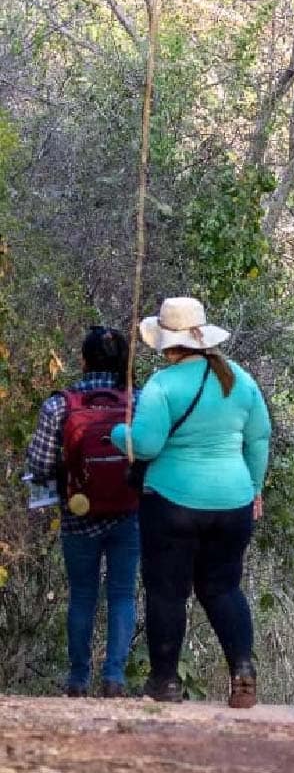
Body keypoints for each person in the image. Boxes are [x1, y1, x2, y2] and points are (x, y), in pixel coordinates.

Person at [112, 297, 271, 708]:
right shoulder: (240, 380)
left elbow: (145, 445)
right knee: (223, 588)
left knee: (167, 591)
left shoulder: (163, 385)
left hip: (172, 502)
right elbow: (258, 440)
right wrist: (254, 489)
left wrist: (117, 433)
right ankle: (242, 670)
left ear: (166, 343)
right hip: (233, 501)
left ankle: (164, 683)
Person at [26, 327, 139, 698]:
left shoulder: (60, 404)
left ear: (84, 359)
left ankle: (77, 679)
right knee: (122, 594)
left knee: (82, 595)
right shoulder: (135, 402)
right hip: (127, 512)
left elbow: (40, 464)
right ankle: (114, 678)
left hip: (79, 513)